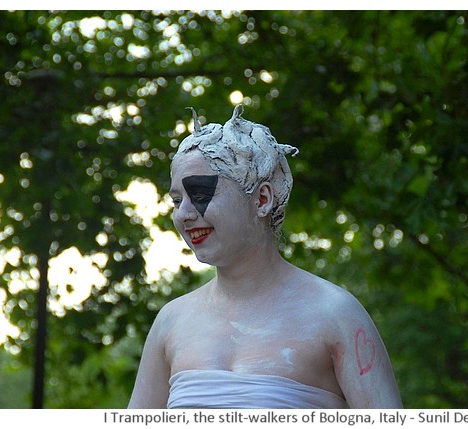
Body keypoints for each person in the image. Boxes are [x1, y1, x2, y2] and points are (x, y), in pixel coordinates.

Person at [128, 105, 402, 409]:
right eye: (177, 200)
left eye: (201, 195)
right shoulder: (172, 321)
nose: (185, 214)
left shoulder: (334, 314)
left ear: (262, 199)